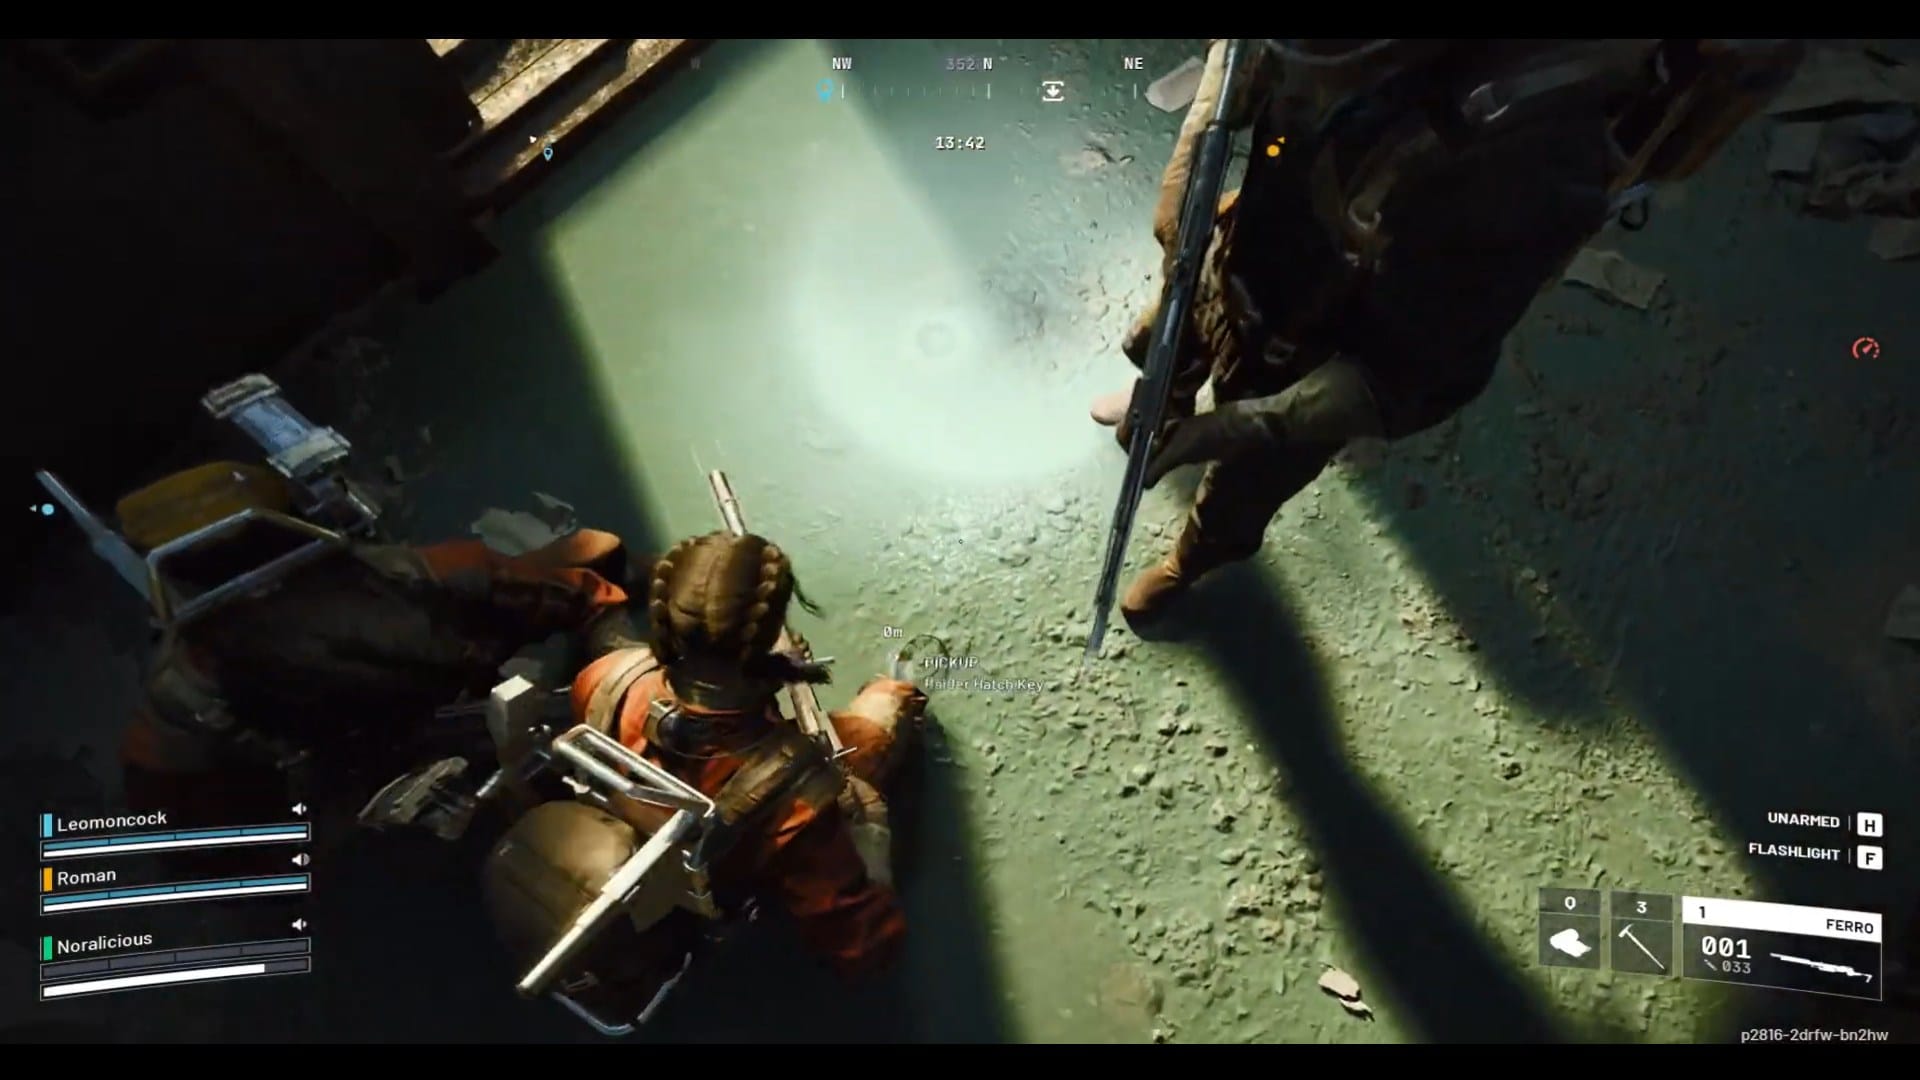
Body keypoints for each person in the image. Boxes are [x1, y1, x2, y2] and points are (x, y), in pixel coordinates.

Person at [1093, 39, 1803, 625]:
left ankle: (1191, 560)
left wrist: (1243, 426)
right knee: (1172, 329)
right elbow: (1247, 62)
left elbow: (1403, 375)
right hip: (1257, 235)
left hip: (1325, 334)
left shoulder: (1530, 165)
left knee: (1247, 483)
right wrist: (1192, 165)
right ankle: (1166, 397)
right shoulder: (1332, 69)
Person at [116, 460, 644, 827]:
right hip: (356, 797)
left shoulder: (416, 581)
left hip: (459, 715)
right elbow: (205, 846)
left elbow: (585, 591)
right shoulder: (185, 714)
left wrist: (624, 673)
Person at [562, 530, 925, 979]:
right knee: (888, 707)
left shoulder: (606, 678)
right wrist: (871, 847)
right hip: (730, 861)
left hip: (628, 835)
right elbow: (863, 948)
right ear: (765, 634)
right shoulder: (799, 803)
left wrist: (771, 672)